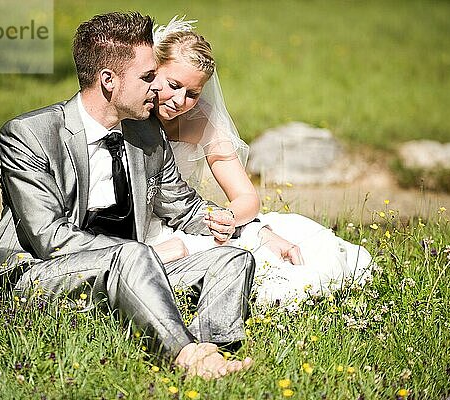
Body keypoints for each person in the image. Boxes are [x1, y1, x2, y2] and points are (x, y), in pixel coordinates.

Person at [0, 12, 254, 379]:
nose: (157, 89)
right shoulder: (30, 134)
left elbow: (183, 207)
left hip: (124, 268)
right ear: (108, 81)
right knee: (133, 255)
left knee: (231, 260)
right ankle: (187, 359)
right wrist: (136, 255)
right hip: (31, 274)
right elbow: (48, 239)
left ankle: (211, 349)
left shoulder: (146, 136)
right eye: (148, 77)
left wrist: (223, 220)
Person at [146, 17, 373, 310]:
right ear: (154, 71)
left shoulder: (201, 119)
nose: (180, 100)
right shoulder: (134, 114)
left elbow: (246, 197)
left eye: (193, 93)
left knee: (283, 247)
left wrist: (229, 217)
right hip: (142, 224)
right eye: (173, 85)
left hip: (189, 216)